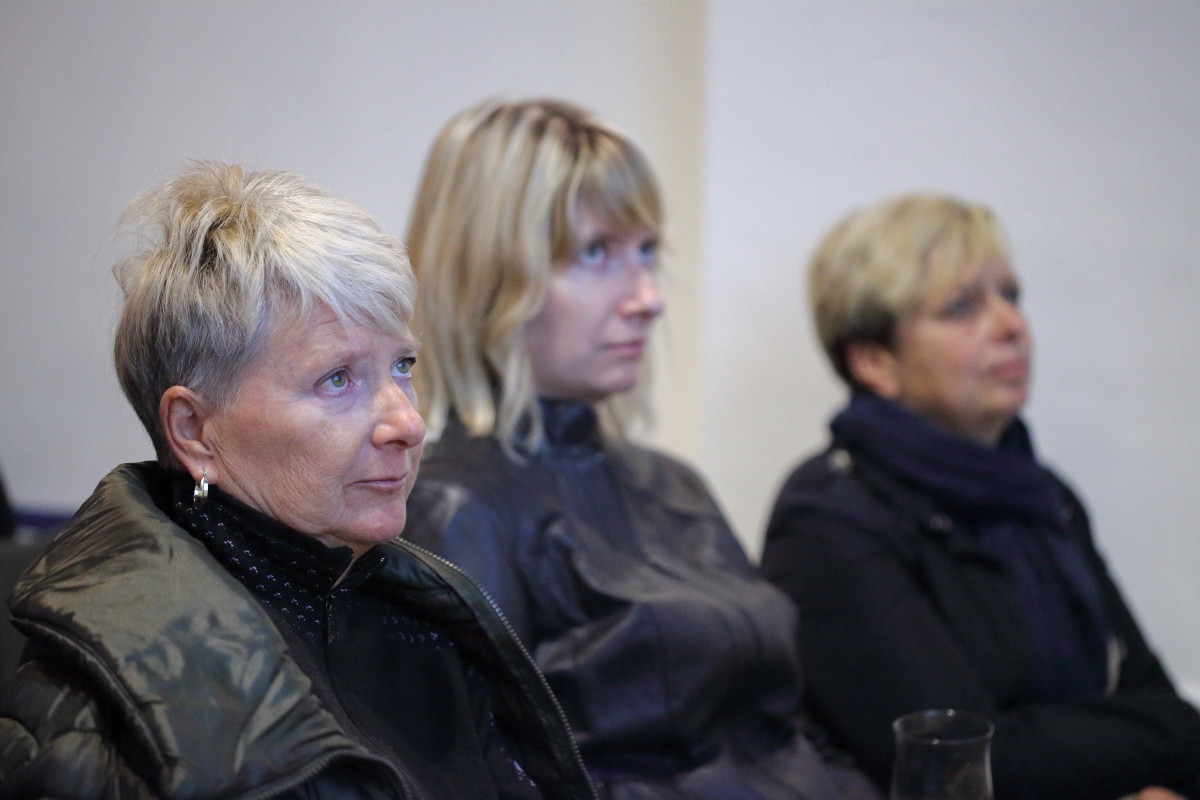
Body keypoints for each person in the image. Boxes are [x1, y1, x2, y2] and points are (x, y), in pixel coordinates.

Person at [0, 161, 596, 800]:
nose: (408, 423)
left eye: (402, 365)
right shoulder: (110, 712)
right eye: (337, 379)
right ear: (194, 430)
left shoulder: (420, 615)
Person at [401, 97, 879, 800]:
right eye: (595, 253)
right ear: (489, 278)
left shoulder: (675, 484)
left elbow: (786, 731)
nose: (648, 297)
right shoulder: (455, 509)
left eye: (647, 251)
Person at [760, 192, 1200, 800]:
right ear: (875, 361)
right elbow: (964, 765)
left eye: (1010, 295)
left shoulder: (1045, 495)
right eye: (962, 307)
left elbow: (1145, 691)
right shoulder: (829, 519)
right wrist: (1169, 741)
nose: (1010, 325)